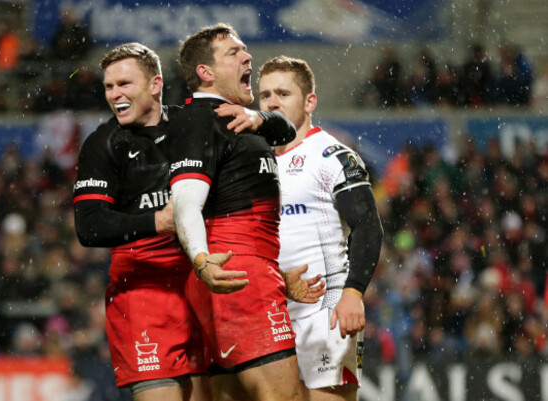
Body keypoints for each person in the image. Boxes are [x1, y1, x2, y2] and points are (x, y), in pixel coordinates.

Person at [73, 42, 297, 401]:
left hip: (203, 284)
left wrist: (260, 117)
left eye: (124, 84)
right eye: (109, 87)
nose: (115, 94)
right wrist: (159, 221)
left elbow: (286, 129)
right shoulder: (104, 144)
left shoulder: (191, 122)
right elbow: (89, 226)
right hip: (144, 293)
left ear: (155, 85)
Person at [167, 23, 306, 401]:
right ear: (205, 73)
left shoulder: (233, 118)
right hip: (239, 273)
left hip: (233, 273)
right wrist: (200, 259)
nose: (247, 57)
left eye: (245, 50)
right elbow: (185, 201)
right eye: (233, 52)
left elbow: (288, 130)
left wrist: (262, 118)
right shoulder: (201, 119)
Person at [258, 55, 384, 401]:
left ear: (309, 101)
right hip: (270, 309)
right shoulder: (254, 160)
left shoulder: (331, 155)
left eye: (283, 93)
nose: (272, 102)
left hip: (324, 312)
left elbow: (368, 226)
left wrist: (353, 292)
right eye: (265, 95)